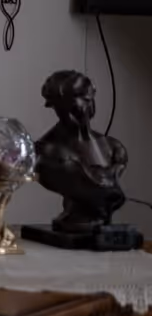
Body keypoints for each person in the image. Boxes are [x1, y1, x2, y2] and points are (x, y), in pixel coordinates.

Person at [34, 70, 128, 233]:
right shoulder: (45, 153)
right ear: (56, 106)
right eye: (69, 103)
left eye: (87, 99)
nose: (82, 107)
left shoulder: (114, 148)